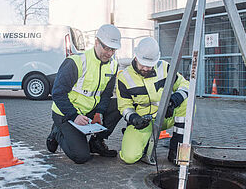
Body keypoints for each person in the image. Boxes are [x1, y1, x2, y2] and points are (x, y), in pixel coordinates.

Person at [46, 24, 123, 164]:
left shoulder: (113, 66)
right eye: (106, 48)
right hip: (66, 114)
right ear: (96, 42)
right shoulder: (76, 62)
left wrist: (99, 112)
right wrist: (74, 116)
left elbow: (106, 94)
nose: (109, 53)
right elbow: (57, 93)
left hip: (89, 111)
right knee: (81, 157)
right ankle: (56, 132)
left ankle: (96, 143)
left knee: (119, 105)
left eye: (113, 49)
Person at [116, 37, 189, 164]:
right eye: (143, 64)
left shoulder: (165, 68)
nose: (146, 68)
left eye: (150, 65)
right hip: (143, 122)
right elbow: (124, 106)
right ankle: (142, 141)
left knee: (188, 103)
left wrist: (173, 101)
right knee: (129, 157)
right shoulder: (124, 77)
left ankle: (177, 148)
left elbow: (185, 85)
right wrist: (133, 118)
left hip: (166, 116)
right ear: (136, 57)